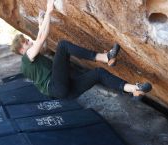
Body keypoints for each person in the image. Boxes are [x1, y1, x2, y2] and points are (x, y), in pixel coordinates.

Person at [10, 0, 152, 100]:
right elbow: (40, 40)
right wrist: (49, 10)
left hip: (65, 91)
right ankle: (104, 57)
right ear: (21, 49)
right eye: (26, 41)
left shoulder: (30, 62)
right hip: (57, 86)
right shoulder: (26, 58)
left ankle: (134, 89)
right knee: (63, 45)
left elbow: (44, 45)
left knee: (98, 73)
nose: (29, 41)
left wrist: (41, 25)